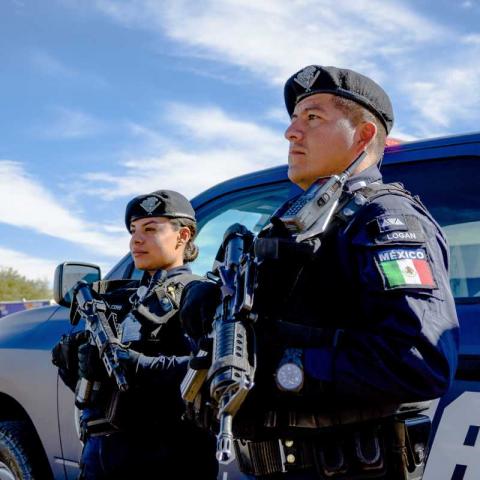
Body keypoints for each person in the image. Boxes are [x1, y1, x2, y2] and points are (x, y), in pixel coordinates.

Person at [181, 66, 459, 479]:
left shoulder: (383, 218)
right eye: (293, 120)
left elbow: (418, 361)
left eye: (312, 117)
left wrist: (276, 364)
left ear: (363, 135)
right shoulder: (299, 225)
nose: (291, 133)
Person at [52, 190, 218, 479]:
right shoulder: (118, 300)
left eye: (151, 229)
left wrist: (139, 365)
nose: (136, 240)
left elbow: (212, 370)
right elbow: (95, 394)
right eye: (133, 231)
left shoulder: (199, 294)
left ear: (183, 236)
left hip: (166, 457)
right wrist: (78, 366)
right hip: (100, 452)